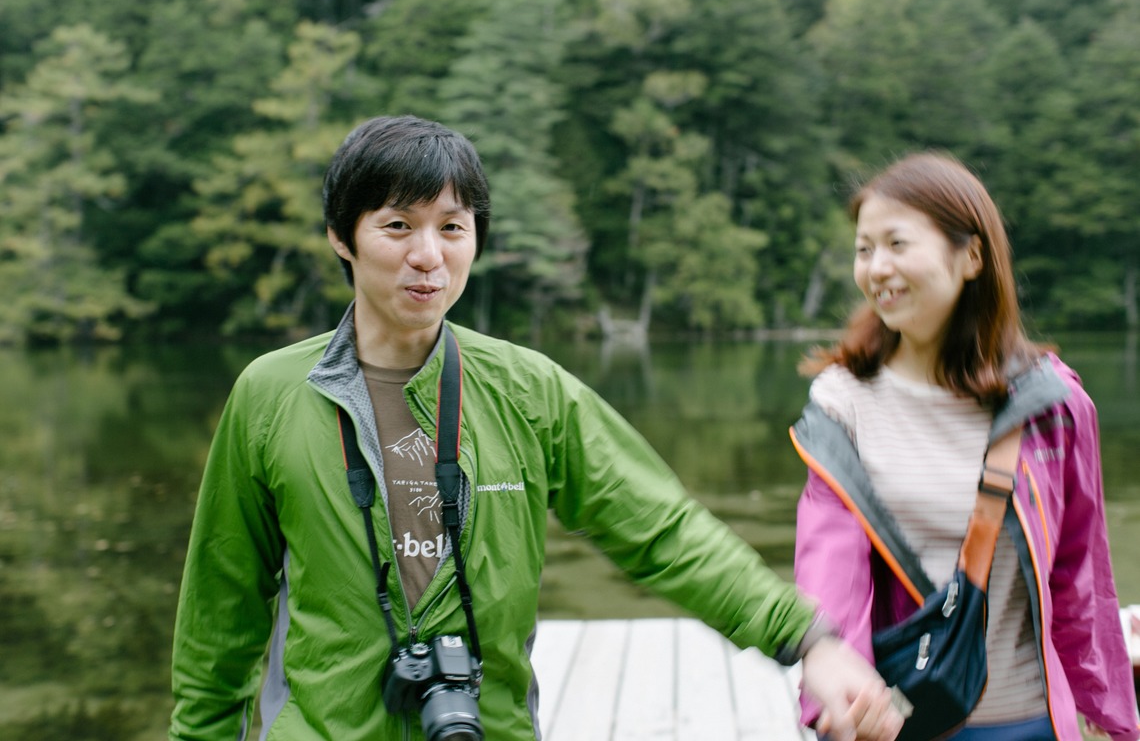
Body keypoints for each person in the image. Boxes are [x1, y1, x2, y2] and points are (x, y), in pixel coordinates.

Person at [168, 115, 904, 741]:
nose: (429, 255)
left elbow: (664, 530)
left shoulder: (528, 391)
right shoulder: (271, 395)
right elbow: (221, 615)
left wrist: (810, 640)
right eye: (397, 226)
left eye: (452, 227)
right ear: (341, 236)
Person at [790, 151, 1140, 740]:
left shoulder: (1053, 404)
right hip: (908, 721)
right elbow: (829, 569)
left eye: (898, 244)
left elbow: (1081, 578)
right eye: (863, 249)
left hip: (1036, 720)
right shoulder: (842, 404)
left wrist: (1111, 715)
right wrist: (841, 698)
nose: (877, 267)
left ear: (972, 256)